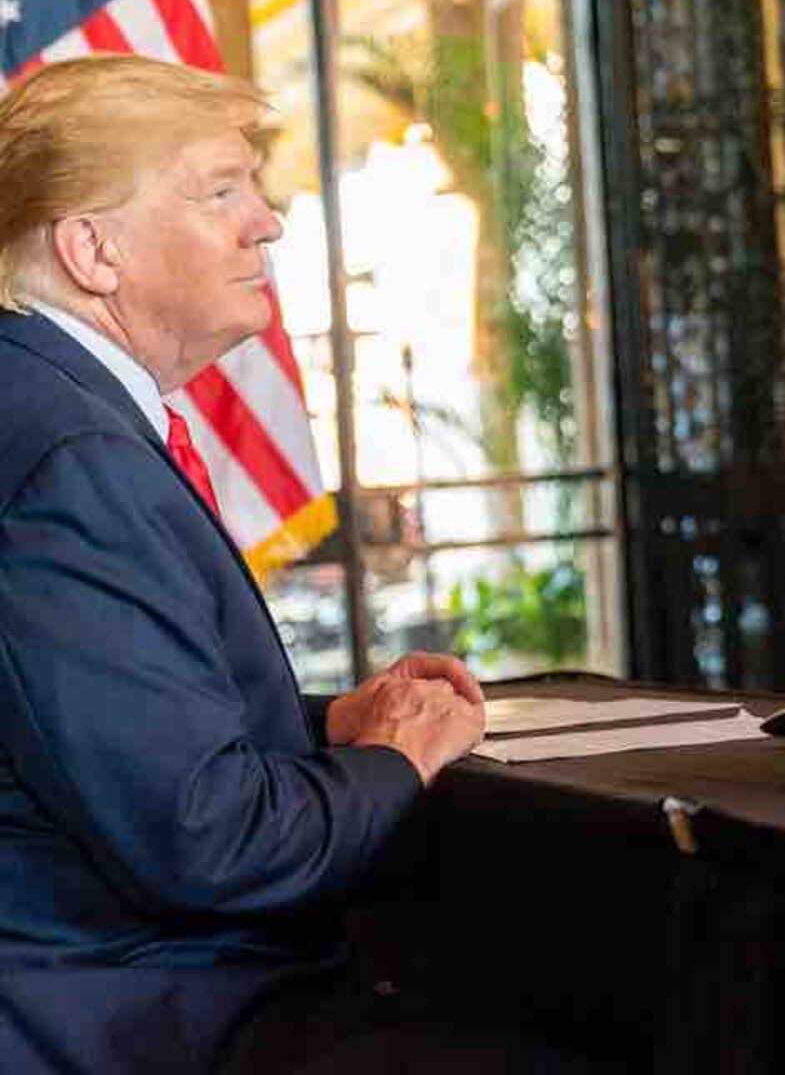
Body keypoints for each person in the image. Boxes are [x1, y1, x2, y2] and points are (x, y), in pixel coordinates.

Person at [0, 57, 626, 1073]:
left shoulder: (47, 403)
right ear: (92, 249)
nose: (269, 222)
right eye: (220, 191)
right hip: (139, 1015)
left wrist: (324, 725)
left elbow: (89, 726)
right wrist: (394, 760)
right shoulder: (73, 457)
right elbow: (209, 844)